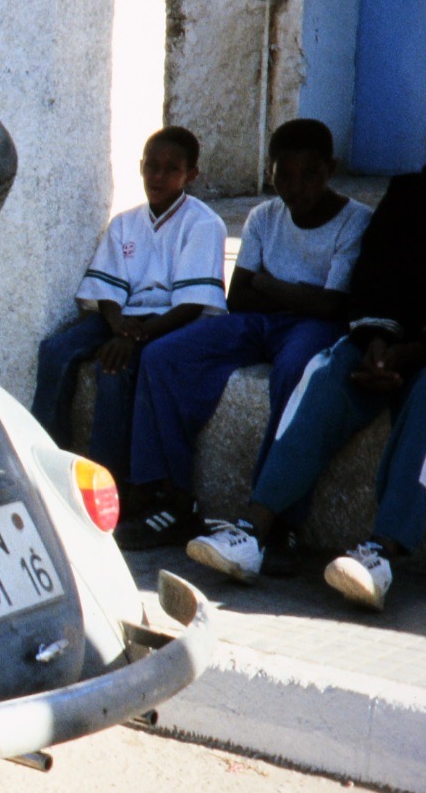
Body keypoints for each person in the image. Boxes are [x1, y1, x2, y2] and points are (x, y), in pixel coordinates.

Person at [186, 108, 426, 607]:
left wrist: (412, 351)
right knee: (323, 374)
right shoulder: (409, 195)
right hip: (385, 343)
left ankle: (380, 554)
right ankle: (253, 532)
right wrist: (377, 342)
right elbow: (376, 277)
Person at [117, 118, 372, 549]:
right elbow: (238, 297)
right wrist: (299, 294)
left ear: (330, 170)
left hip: (314, 328)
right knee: (162, 356)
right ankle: (173, 498)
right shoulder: (263, 216)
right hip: (258, 323)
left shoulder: (355, 221)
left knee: (295, 373)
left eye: (310, 174)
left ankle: (279, 520)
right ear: (270, 173)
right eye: (284, 175)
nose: (296, 187)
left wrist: (268, 284)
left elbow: (333, 306)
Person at [30, 127, 226, 486]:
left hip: (171, 321)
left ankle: (107, 482)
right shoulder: (125, 222)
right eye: (152, 166)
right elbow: (108, 288)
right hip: (124, 318)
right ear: (140, 166)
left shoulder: (203, 224)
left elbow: (191, 305)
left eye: (172, 169)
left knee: (113, 369)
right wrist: (118, 324)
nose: (158, 177)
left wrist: (134, 337)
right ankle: (44, 459)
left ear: (191, 175)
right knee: (56, 350)